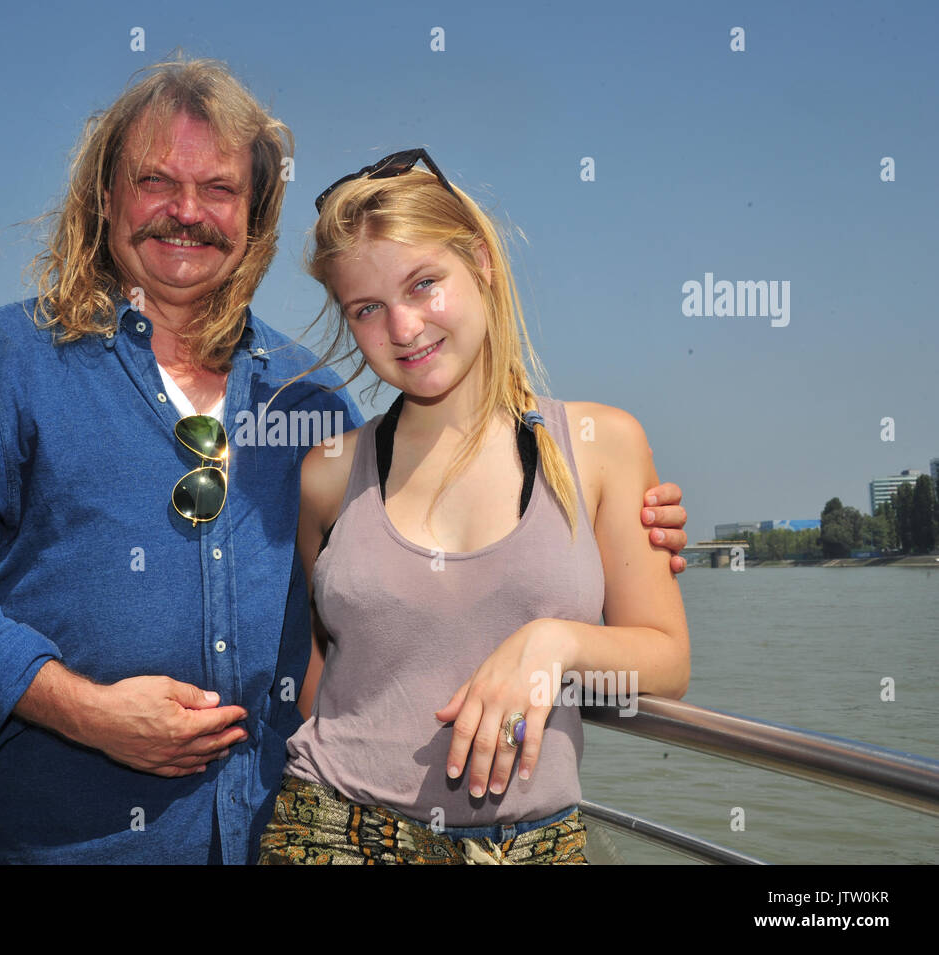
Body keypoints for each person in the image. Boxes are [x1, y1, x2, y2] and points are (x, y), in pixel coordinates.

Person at [0, 59, 689, 864]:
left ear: (254, 214)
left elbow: (376, 590)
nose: (187, 212)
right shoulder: (2, 360)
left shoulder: (309, 403)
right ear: (105, 197)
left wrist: (602, 545)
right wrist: (87, 711)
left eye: (220, 189)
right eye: (157, 181)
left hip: (273, 831)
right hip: (58, 842)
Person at [258, 150, 691, 864]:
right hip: (333, 832)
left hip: (533, 846)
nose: (403, 328)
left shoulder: (601, 445)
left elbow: (667, 658)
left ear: (483, 263)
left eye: (425, 284)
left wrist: (554, 643)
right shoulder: (329, 473)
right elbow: (320, 665)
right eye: (367, 309)